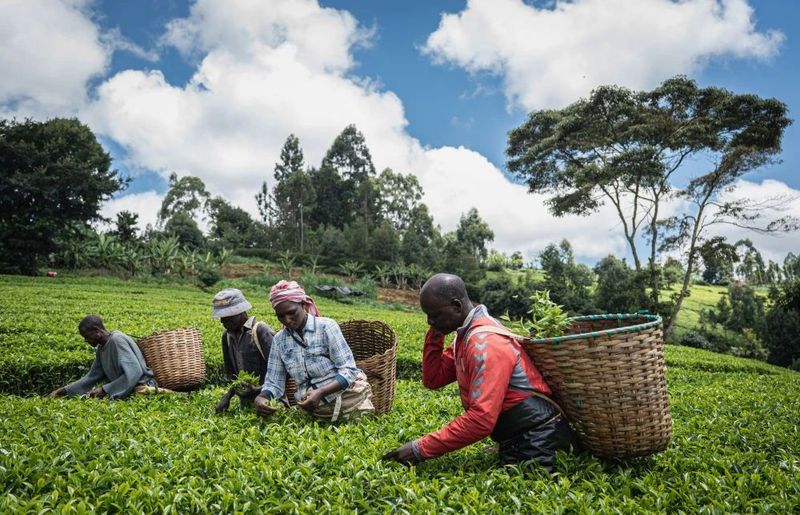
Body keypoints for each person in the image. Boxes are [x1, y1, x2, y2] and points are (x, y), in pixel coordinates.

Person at [382, 273, 580, 472]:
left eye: (434, 315)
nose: (429, 321)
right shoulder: (466, 335)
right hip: (516, 436)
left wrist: (420, 449)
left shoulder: (485, 344)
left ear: (457, 306)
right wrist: (436, 332)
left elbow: (481, 420)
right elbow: (434, 379)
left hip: (540, 438)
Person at [254, 280, 374, 422]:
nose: (286, 320)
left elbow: (349, 370)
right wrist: (262, 397)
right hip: (312, 412)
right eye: (280, 316)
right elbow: (274, 382)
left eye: (291, 312)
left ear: (303, 305)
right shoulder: (279, 340)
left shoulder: (326, 327)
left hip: (346, 403)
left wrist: (321, 392)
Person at [49, 315, 163, 400]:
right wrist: (65, 390)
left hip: (142, 387)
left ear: (97, 331)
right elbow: (93, 375)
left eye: (87, 337)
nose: (86, 341)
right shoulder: (102, 347)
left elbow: (134, 372)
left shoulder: (117, 340)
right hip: (127, 389)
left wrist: (105, 390)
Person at [212, 288, 276, 412]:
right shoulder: (227, 337)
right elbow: (232, 375)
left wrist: (258, 389)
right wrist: (228, 396)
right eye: (221, 317)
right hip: (245, 405)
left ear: (240, 311)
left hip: (269, 403)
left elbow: (279, 372)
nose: (222, 321)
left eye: (227, 316)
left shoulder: (261, 331)